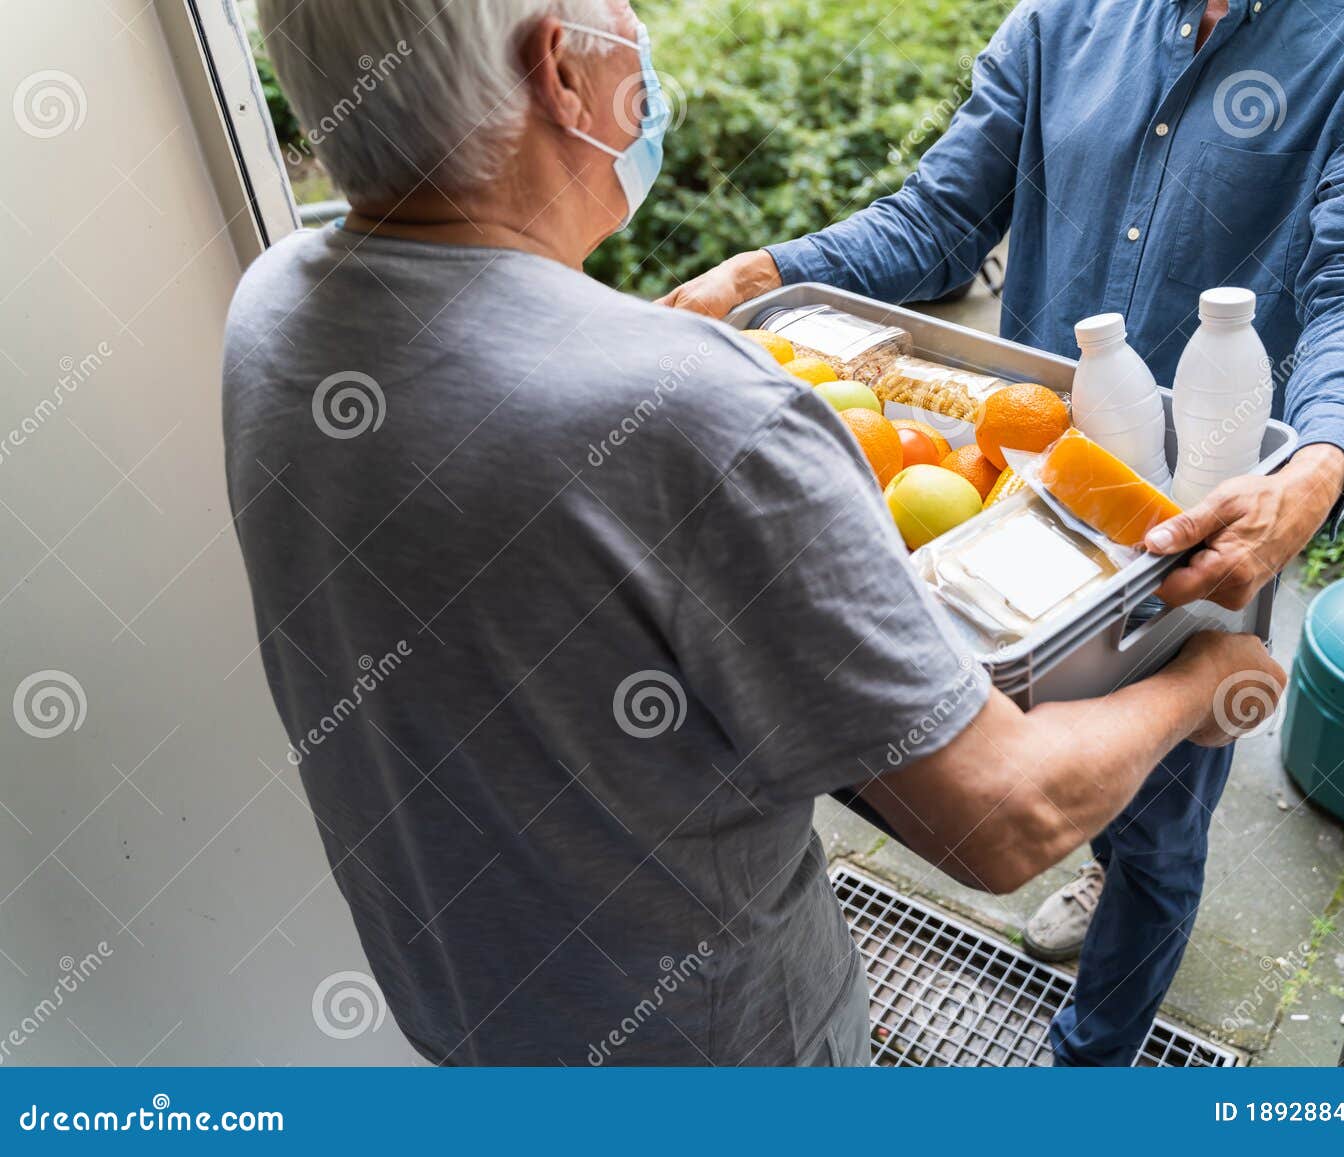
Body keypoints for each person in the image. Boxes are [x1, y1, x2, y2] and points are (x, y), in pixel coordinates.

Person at [226, 0, 1283, 1066]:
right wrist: (1206, 674)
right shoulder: (695, 412)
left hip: (461, 1006)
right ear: (560, 69)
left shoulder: (270, 309)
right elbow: (1000, 818)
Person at [665, 0, 1344, 1065]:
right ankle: (1096, 858)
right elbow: (938, 219)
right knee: (1036, 725)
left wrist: (1314, 468)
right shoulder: (1062, 23)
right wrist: (754, 278)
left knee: (1163, 811)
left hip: (1199, 521)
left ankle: (1091, 1059)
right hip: (1033, 487)